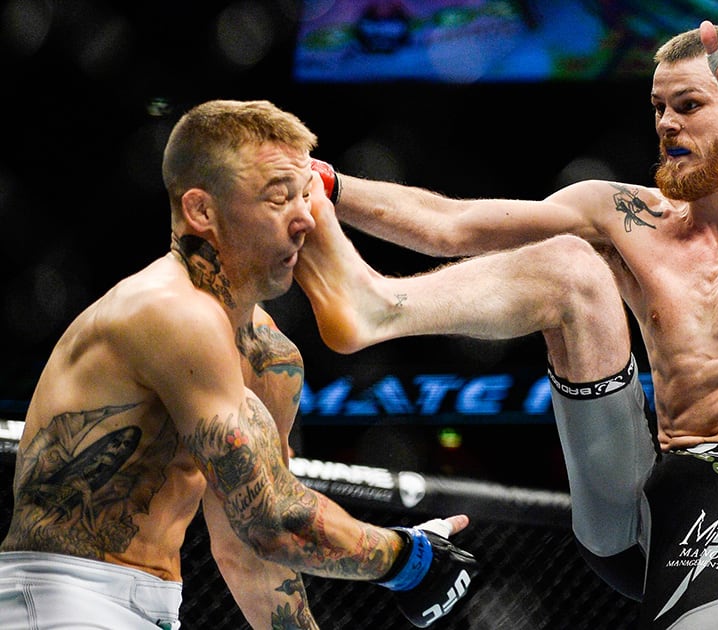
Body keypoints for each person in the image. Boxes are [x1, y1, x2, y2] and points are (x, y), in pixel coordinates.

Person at [295, 0, 718, 627]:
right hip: (633, 501)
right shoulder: (622, 215)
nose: (667, 124)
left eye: (689, 106)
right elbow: (453, 224)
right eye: (658, 108)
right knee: (570, 264)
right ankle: (376, 305)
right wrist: (326, 183)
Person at [0, 99, 478, 630]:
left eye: (305, 195)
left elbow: (253, 547)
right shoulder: (168, 311)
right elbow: (275, 521)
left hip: (156, 605)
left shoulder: (272, 357)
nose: (305, 218)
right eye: (278, 197)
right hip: (62, 595)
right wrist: (406, 559)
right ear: (202, 211)